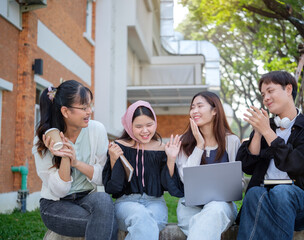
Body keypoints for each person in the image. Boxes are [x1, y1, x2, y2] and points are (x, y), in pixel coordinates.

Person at [236, 71, 304, 240]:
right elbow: (246, 166)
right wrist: (257, 133)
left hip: (298, 202)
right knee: (254, 193)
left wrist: (267, 132)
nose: (266, 98)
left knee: (282, 193)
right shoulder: (265, 126)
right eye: (263, 94)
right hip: (265, 197)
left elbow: (296, 164)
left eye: (270, 91)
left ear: (288, 89)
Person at [32, 80, 118, 239]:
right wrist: (65, 157)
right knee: (106, 222)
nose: (89, 111)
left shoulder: (96, 130)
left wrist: (76, 163)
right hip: (55, 205)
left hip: (87, 197)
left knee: (104, 200)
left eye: (90, 106)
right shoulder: (45, 140)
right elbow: (60, 190)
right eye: (84, 107)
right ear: (65, 111)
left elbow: (102, 178)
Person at [165, 91, 243, 240]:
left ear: (215, 110)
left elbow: (238, 182)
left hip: (222, 206)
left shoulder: (231, 141)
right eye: (192, 107)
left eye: (200, 106)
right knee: (205, 228)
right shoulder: (183, 142)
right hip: (190, 207)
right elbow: (185, 180)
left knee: (214, 210)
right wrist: (199, 146)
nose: (194, 111)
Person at [102, 100, 181, 240]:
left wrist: (171, 159)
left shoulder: (162, 148)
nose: (145, 131)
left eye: (149, 125)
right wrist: (114, 160)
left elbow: (171, 188)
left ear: (155, 123)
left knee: (146, 222)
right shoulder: (118, 147)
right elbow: (113, 188)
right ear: (129, 126)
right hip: (125, 204)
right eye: (138, 126)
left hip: (156, 203)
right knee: (142, 216)